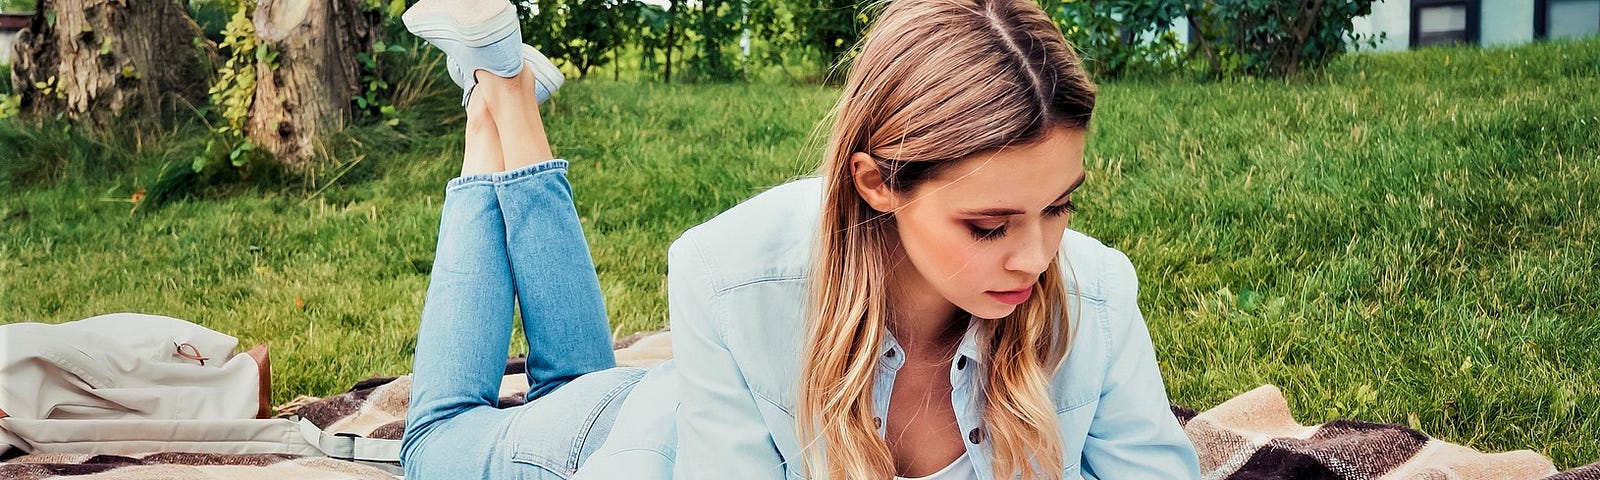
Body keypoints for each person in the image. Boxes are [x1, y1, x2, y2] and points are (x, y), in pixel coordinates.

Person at [397, 0, 1203, 476]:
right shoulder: (729, 272)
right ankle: (496, 90)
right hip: (614, 448)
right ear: (877, 181)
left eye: (1060, 207)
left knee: (568, 374)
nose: (1036, 257)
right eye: (988, 226)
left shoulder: (1096, 294)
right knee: (433, 440)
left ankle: (503, 89)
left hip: (662, 407)